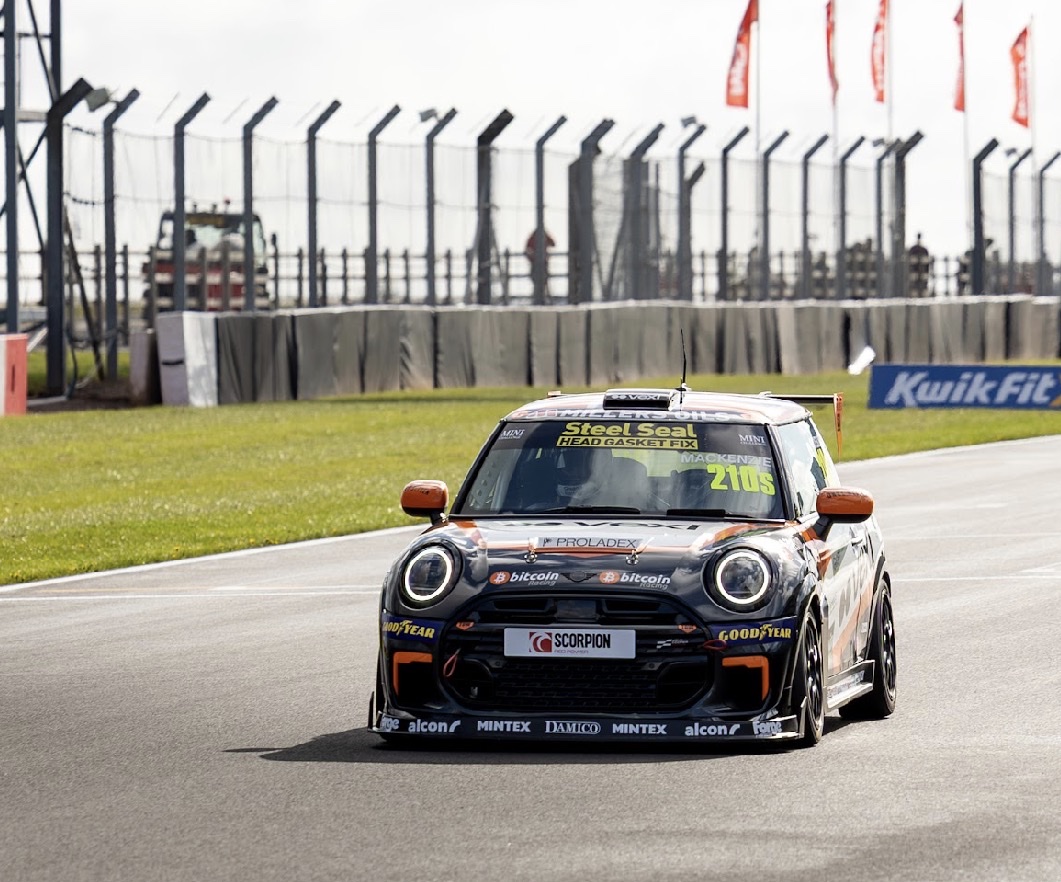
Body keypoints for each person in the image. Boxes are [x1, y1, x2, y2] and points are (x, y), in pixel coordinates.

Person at [525, 228, 556, 299]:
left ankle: (542, 296)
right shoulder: (534, 238)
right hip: (537, 262)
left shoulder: (535, 238)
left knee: (542, 280)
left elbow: (553, 244)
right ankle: (542, 296)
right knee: (540, 280)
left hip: (539, 262)